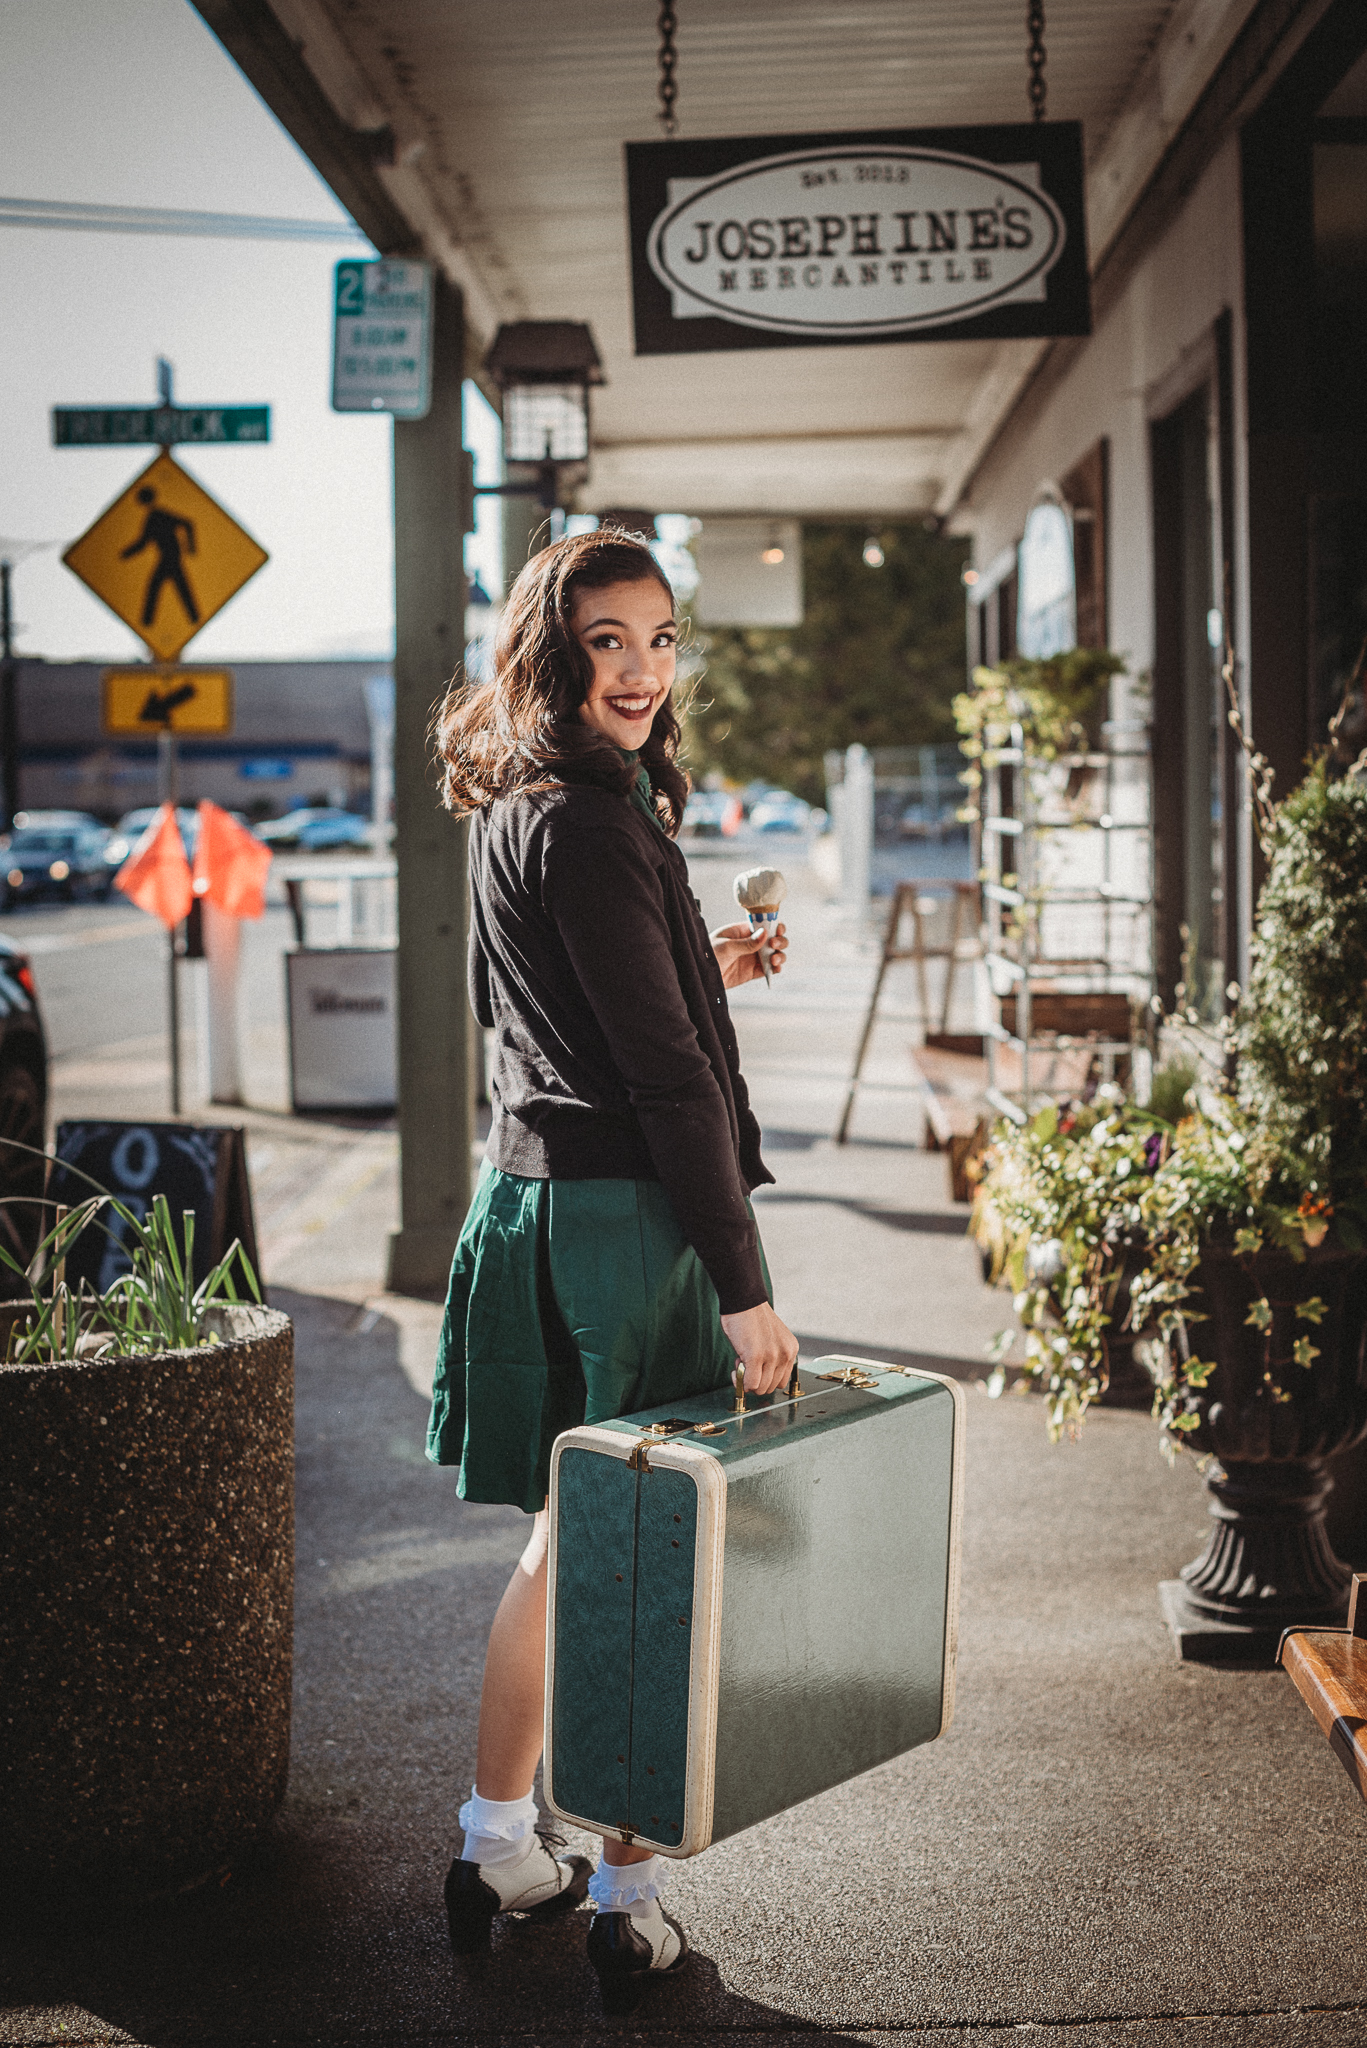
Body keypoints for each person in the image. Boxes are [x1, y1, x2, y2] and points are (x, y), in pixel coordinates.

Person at [428, 528, 798, 2010]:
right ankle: (630, 1906)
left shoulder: (519, 809)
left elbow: (565, 1012)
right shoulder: (592, 824)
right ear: (552, 652)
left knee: (567, 1542)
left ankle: (497, 1846)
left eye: (659, 638)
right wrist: (744, 1277)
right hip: (631, 1221)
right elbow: (661, 1078)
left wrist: (703, 958)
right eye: (608, 642)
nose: (643, 669)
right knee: (655, 1558)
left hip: (531, 1200)